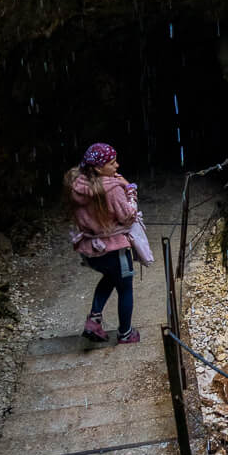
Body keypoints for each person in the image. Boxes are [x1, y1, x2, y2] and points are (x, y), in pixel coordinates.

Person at [65, 142, 141, 344]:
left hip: (91, 250)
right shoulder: (112, 189)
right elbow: (128, 216)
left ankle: (94, 319)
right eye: (112, 163)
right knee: (125, 287)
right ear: (99, 168)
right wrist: (130, 190)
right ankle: (125, 333)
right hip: (114, 248)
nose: (117, 166)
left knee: (109, 276)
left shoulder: (78, 185)